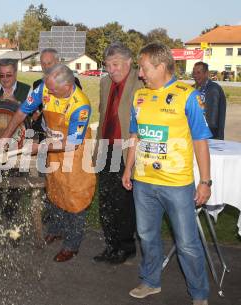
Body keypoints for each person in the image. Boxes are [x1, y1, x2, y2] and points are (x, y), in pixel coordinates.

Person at [122, 42, 211, 305]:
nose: (140, 73)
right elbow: (134, 136)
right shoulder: (140, 97)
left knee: (186, 244)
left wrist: (205, 182)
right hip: (144, 183)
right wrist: (128, 169)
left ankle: (199, 294)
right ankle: (151, 282)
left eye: (144, 67)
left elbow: (200, 141)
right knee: (147, 236)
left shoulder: (188, 96)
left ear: (161, 67)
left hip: (177, 184)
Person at [0, 64, 96, 262]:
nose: (48, 93)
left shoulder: (81, 105)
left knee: (74, 197)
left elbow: (71, 143)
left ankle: (72, 244)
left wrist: (39, 147)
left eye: (53, 90)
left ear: (68, 86)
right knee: (53, 189)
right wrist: (5, 137)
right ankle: (56, 228)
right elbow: (22, 111)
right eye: (47, 88)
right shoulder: (45, 86)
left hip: (75, 152)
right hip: (52, 147)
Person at [92, 42, 142, 265]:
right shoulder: (104, 83)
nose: (111, 70)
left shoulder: (140, 83)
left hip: (126, 150)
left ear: (129, 62)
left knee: (123, 201)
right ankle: (111, 245)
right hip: (105, 148)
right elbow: (103, 117)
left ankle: (126, 246)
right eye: (108, 65)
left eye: (115, 64)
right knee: (106, 199)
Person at [0, 58, 31, 221]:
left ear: (16, 74)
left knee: (15, 178)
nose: (5, 79)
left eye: (9, 75)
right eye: (1, 76)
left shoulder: (26, 90)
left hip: (18, 141)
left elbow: (32, 115)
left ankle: (11, 213)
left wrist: (17, 103)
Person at [31, 48, 82, 141]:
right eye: (43, 63)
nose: (46, 67)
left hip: (64, 135)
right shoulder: (37, 84)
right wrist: (34, 113)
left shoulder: (72, 82)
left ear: (58, 63)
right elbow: (35, 109)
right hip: (43, 134)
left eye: (49, 63)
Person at [192, 61, 226, 140]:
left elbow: (213, 117)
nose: (195, 75)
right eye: (194, 73)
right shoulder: (192, 89)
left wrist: (213, 136)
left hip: (210, 133)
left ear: (206, 73)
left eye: (198, 72)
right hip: (194, 131)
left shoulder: (214, 89)